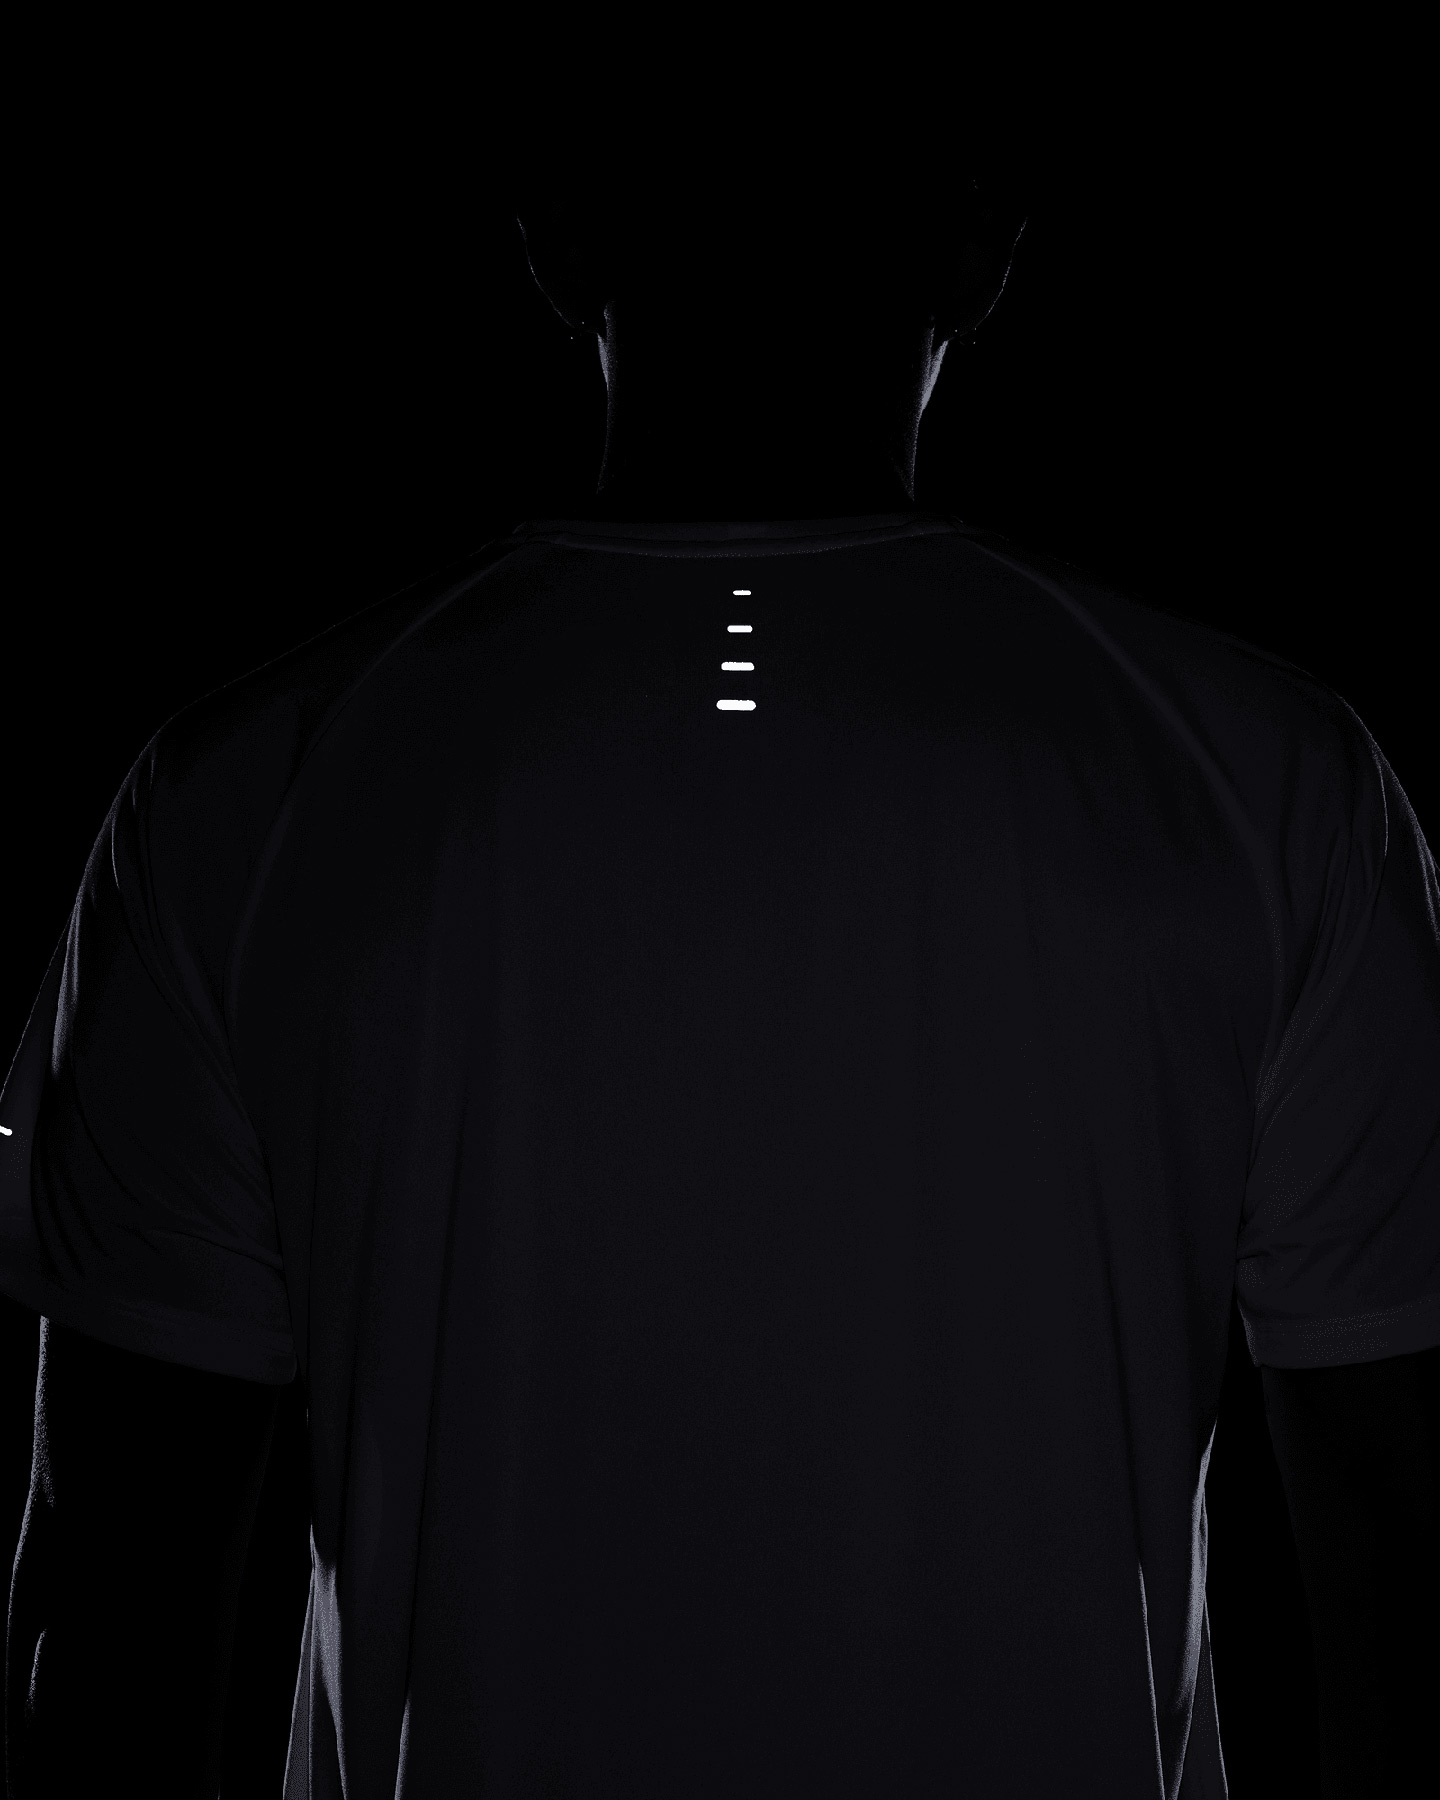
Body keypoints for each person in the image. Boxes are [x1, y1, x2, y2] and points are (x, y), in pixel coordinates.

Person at [1, 117, 1437, 1799]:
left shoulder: (244, 799)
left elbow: (113, 1623)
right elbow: (1398, 1572)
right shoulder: (1270, 785)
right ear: (982, 244)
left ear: (557, 233)